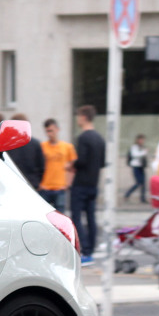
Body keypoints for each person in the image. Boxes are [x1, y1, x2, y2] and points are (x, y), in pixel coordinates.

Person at [71, 105, 106, 264]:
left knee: (77, 217)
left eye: (78, 116)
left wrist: (72, 164)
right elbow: (102, 162)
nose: (77, 119)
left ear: (84, 117)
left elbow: (82, 161)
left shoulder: (83, 137)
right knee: (91, 217)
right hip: (94, 182)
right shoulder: (100, 138)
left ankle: (84, 250)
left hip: (81, 183)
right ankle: (90, 249)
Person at [39, 118, 76, 213]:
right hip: (45, 187)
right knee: (43, 215)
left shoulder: (67, 147)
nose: (49, 134)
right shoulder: (42, 146)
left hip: (60, 187)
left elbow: (73, 167)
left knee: (60, 216)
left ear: (57, 129)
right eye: (47, 131)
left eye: (51, 130)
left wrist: (68, 184)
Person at [6, 112, 45, 188]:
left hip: (12, 183)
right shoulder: (36, 143)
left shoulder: (8, 144)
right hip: (32, 184)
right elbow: (41, 167)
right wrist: (37, 182)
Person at [125, 133, 148, 203]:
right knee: (138, 183)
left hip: (141, 166)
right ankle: (127, 194)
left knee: (143, 183)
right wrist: (144, 152)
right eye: (141, 139)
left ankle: (143, 198)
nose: (142, 141)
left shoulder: (142, 147)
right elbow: (135, 155)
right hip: (136, 167)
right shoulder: (134, 147)